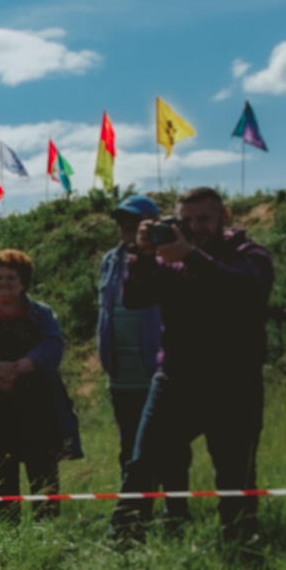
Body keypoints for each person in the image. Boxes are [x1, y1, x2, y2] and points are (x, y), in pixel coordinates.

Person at [116, 188, 275, 552]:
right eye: (186, 220)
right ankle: (122, 545)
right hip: (176, 379)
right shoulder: (171, 257)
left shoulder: (248, 254)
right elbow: (136, 297)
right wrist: (141, 256)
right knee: (142, 462)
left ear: (225, 217)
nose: (194, 227)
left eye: (203, 219)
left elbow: (248, 292)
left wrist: (192, 256)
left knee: (236, 474)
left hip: (235, 382)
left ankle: (240, 547)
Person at [0, 249, 83, 523]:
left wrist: (18, 368)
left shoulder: (41, 314)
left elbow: (52, 347)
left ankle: (46, 528)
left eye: (10, 277)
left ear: (23, 281)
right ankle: (7, 529)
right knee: (2, 470)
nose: (4, 282)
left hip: (38, 405)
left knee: (43, 467)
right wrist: (0, 369)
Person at [96, 196, 184, 525]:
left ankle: (176, 515)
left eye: (135, 223)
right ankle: (138, 517)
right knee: (129, 449)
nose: (127, 229)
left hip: (158, 371)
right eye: (122, 223)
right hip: (121, 374)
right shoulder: (110, 260)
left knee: (171, 448)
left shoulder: (168, 258)